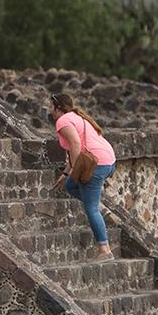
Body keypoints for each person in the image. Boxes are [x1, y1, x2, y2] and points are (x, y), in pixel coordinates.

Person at [50, 93, 118, 260]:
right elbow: (78, 150)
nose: (49, 110)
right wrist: (67, 173)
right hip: (108, 162)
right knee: (70, 186)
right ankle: (103, 209)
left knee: (91, 208)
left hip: (96, 165)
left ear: (57, 108)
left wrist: (74, 169)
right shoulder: (78, 117)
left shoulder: (63, 120)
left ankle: (104, 249)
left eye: (50, 106)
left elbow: (75, 144)